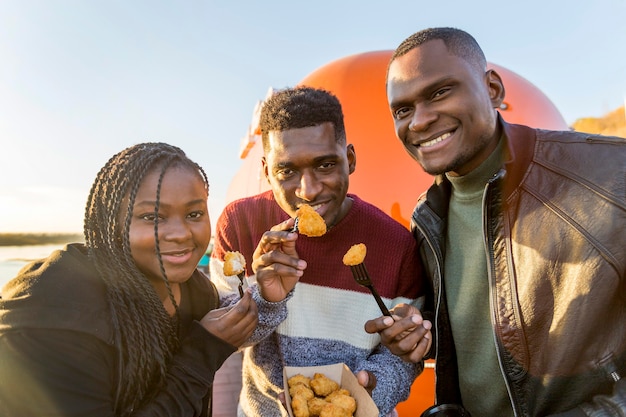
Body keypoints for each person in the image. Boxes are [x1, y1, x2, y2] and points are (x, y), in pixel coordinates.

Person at [364, 27, 626, 416]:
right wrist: (420, 332)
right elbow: (487, 333)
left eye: (439, 92)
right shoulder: (428, 217)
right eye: (402, 109)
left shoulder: (610, 175)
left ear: (493, 89)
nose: (418, 121)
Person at [209, 86, 428, 417]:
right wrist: (266, 301)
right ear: (266, 171)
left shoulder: (396, 244)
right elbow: (225, 342)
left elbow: (406, 355)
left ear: (349, 160)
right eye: (287, 171)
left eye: (325, 166)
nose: (307, 190)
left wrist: (372, 389)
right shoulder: (240, 224)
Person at [0, 142, 258, 417]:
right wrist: (203, 352)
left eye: (194, 214)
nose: (181, 233)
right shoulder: (56, 305)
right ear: (111, 224)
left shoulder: (198, 292)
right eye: (152, 216)